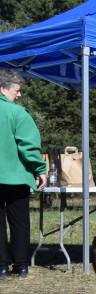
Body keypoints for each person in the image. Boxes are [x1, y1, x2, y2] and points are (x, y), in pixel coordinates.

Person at [0, 70, 48, 279]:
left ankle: (1, 267)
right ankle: (20, 266)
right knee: (19, 221)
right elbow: (28, 147)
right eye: (16, 90)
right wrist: (40, 170)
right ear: (3, 88)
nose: (19, 95)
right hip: (15, 177)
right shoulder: (18, 113)